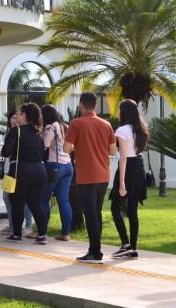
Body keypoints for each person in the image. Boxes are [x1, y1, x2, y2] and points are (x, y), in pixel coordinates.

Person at [64, 92, 117, 264]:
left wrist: (78, 147)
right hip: (103, 175)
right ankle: (95, 250)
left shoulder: (76, 123)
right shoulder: (106, 124)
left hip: (86, 176)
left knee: (90, 215)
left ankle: (95, 252)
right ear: (95, 105)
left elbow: (66, 148)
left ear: (81, 104)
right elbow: (113, 151)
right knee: (97, 213)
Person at [1, 102, 49, 244]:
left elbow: (5, 152)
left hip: (20, 170)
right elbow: (44, 154)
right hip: (39, 170)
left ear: (25, 115)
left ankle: (17, 234)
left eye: (19, 113)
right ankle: (42, 234)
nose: (16, 116)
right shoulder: (39, 133)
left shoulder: (16, 131)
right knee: (36, 204)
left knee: (17, 203)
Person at [110, 99, 148, 260]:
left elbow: (124, 158)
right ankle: (132, 248)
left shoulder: (122, 130)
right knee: (133, 210)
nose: (118, 113)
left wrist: (122, 183)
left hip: (129, 168)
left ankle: (126, 245)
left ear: (124, 112)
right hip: (139, 167)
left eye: (119, 110)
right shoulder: (141, 129)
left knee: (115, 208)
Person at [0, 109, 33, 236]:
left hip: (21, 171)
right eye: (13, 117)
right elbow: (6, 153)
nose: (15, 120)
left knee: (25, 199)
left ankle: (28, 225)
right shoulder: (9, 132)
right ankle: (12, 225)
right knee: (7, 198)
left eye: (16, 117)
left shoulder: (24, 132)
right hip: (9, 171)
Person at [41, 104, 73, 241]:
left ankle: (42, 232)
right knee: (64, 200)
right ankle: (65, 233)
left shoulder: (51, 127)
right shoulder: (65, 126)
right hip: (68, 166)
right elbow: (71, 147)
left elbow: (45, 146)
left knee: (43, 199)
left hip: (54, 166)